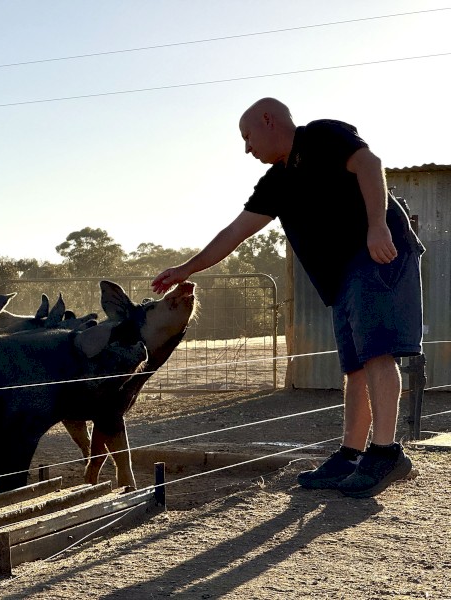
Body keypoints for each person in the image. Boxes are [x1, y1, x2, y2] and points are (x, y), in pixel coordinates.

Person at [152, 97, 424, 498]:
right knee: (354, 367)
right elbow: (234, 233)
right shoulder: (276, 182)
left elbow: (370, 165)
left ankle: (386, 453)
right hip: (342, 277)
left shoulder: (322, 135)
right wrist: (187, 268)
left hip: (376, 255)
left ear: (269, 120)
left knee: (377, 353)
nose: (247, 149)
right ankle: (351, 455)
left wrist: (378, 227)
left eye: (247, 137)